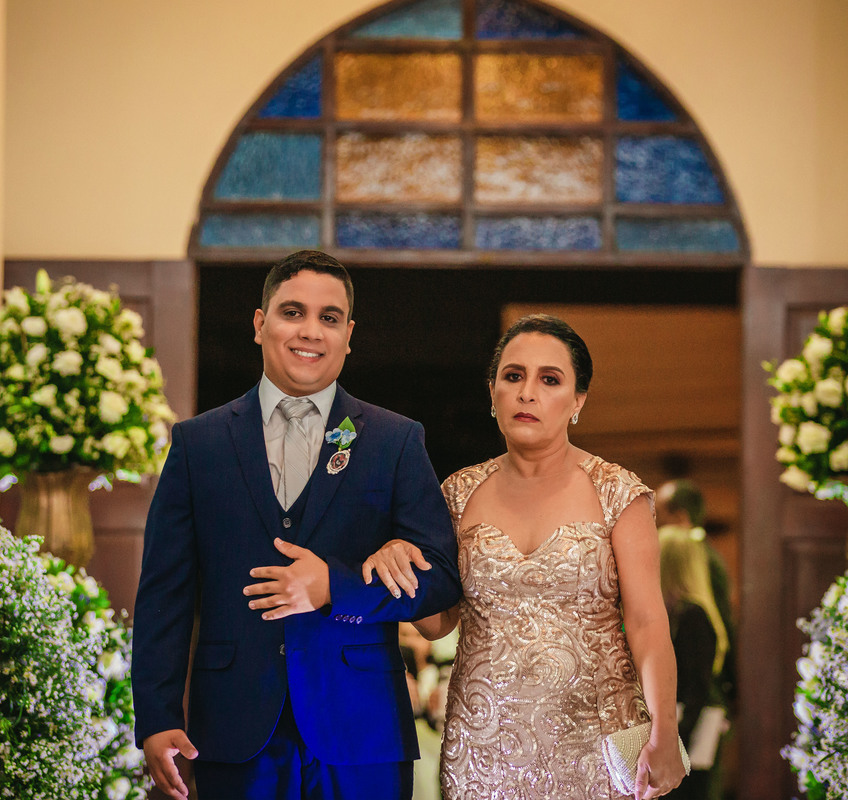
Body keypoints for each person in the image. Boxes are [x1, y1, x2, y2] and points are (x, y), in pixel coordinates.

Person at [132, 250, 462, 800]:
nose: (310, 330)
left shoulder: (395, 440)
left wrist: (337, 586)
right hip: (234, 727)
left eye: (329, 318)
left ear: (348, 335)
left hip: (362, 730)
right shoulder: (199, 443)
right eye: (292, 312)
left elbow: (441, 582)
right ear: (260, 324)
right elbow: (164, 594)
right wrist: (157, 716)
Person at [364, 314, 686, 800]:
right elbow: (437, 624)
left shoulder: (617, 492)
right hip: (481, 747)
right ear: (492, 393)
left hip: (598, 744)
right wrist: (398, 560)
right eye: (513, 376)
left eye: (549, 379)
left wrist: (664, 732)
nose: (527, 393)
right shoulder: (457, 494)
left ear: (578, 401)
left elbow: (647, 622)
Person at [657, 525, 729, 800]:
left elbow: (697, 686)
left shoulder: (691, 615)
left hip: (688, 730)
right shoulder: (677, 613)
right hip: (681, 727)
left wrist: (677, 741)